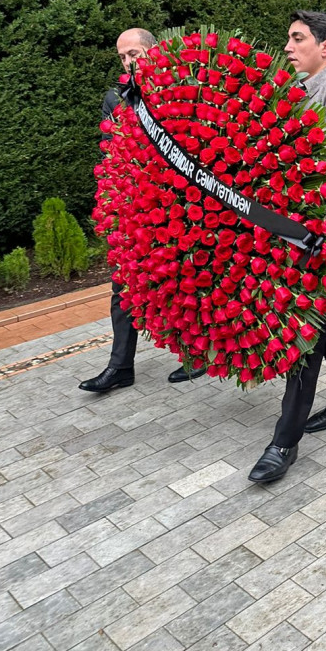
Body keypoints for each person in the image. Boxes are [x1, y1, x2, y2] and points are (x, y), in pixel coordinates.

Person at [248, 11, 326, 484]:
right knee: (324, 315)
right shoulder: (291, 92)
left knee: (305, 321)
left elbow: (316, 150)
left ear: (325, 46)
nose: (287, 47)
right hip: (288, 227)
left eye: (297, 39)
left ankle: (285, 439)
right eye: (288, 38)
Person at [80, 28, 206, 392]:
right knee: (124, 285)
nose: (127, 62)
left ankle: (196, 353)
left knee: (184, 279)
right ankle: (121, 366)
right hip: (136, 208)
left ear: (154, 52)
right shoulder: (115, 98)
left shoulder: (181, 88)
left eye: (133, 54)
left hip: (179, 206)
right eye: (122, 57)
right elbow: (110, 153)